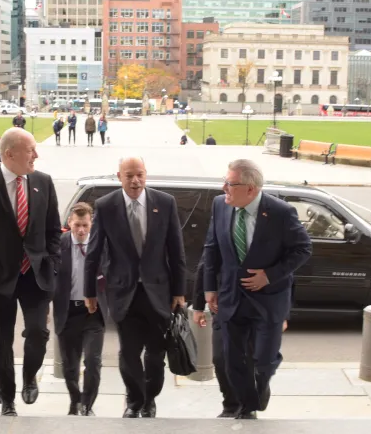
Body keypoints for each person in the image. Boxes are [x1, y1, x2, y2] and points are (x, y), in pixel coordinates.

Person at [0, 128, 62, 417]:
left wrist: (52, 263)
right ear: (9, 154)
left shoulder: (43, 182)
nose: (36, 155)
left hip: (36, 276)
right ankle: (7, 400)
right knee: (0, 343)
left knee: (38, 332)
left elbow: (54, 230)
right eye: (31, 149)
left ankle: (30, 375)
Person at [203, 160, 311, 419]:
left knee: (263, 361)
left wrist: (270, 276)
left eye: (230, 183)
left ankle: (256, 393)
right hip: (232, 297)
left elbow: (303, 249)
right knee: (231, 359)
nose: (224, 187)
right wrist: (209, 289)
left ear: (250, 189)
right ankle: (246, 407)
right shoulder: (220, 205)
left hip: (269, 300)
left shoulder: (281, 212)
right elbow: (212, 248)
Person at [84, 157, 186, 418]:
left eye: (139, 174)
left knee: (155, 354)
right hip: (123, 293)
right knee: (128, 353)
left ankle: (150, 399)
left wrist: (178, 292)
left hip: (158, 293)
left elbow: (176, 252)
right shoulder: (106, 206)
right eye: (129, 175)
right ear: (119, 176)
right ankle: (134, 400)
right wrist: (89, 292)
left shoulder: (165, 203)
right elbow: (93, 252)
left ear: (146, 175)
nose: (135, 180)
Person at [192, 256, 288, 418]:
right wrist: (198, 306)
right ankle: (231, 405)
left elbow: (287, 276)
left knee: (252, 359)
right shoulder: (221, 231)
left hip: (261, 308)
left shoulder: (270, 235)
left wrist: (283, 314)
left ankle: (250, 401)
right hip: (227, 306)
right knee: (221, 358)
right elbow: (205, 266)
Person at [54, 203, 105, 417]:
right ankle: (75, 401)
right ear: (70, 224)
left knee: (93, 361)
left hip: (93, 313)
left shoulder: (101, 244)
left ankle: (87, 404)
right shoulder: (59, 244)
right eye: (77, 225)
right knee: (70, 366)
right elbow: (48, 276)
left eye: (85, 225)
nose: (81, 230)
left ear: (91, 223)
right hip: (68, 312)